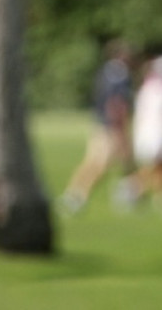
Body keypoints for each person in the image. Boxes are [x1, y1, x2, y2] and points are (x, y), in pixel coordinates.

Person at [60, 39, 137, 215]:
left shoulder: (106, 71)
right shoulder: (119, 74)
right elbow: (116, 104)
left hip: (101, 124)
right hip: (111, 126)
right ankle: (78, 196)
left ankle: (75, 194)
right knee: (104, 163)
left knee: (97, 161)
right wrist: (120, 129)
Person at [129, 53, 162, 214]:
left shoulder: (146, 88)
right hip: (159, 135)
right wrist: (161, 140)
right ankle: (136, 192)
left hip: (145, 134)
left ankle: (161, 199)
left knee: (159, 169)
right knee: (160, 169)